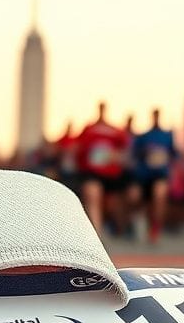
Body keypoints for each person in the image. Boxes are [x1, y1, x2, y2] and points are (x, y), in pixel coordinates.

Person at [76, 102, 129, 236]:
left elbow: (125, 151)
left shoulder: (116, 131)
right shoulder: (89, 129)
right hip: (92, 173)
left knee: (112, 204)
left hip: (111, 175)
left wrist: (115, 157)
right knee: (92, 195)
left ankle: (119, 227)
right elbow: (79, 150)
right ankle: (96, 235)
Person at [131, 108, 177, 244]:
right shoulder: (143, 136)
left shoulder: (167, 136)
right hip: (144, 176)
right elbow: (134, 155)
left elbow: (174, 155)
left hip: (160, 174)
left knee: (160, 196)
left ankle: (156, 228)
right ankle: (140, 226)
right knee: (137, 200)